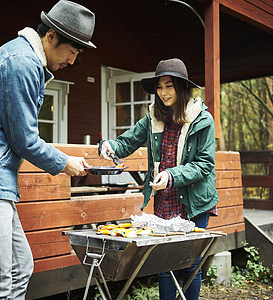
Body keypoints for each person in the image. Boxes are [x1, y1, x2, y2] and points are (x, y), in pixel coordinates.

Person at [0, 1, 96, 298]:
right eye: (72, 50)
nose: (72, 59)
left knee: (19, 268)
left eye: (77, 53)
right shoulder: (21, 62)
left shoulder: (25, 59)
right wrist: (66, 163)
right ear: (51, 36)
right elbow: (24, 140)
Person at [99, 58, 219, 300]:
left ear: (181, 87)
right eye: (159, 87)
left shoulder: (203, 120)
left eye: (169, 86)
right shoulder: (153, 118)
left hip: (195, 201)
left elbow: (205, 165)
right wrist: (109, 145)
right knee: (164, 264)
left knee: (190, 264)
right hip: (165, 198)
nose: (163, 93)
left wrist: (171, 174)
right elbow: (127, 142)